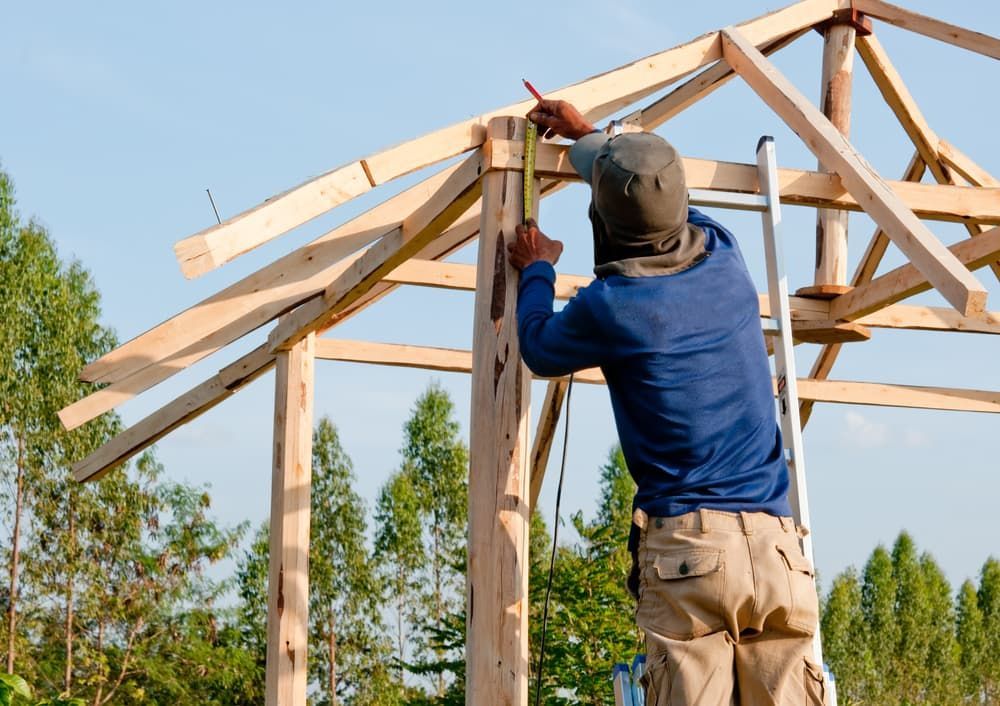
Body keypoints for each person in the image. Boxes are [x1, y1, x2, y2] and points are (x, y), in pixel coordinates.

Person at [508, 99, 827, 706]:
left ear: (603, 222)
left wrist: (539, 269)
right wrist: (591, 136)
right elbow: (654, 197)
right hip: (778, 547)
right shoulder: (725, 254)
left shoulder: (615, 305)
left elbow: (539, 348)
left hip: (689, 551)